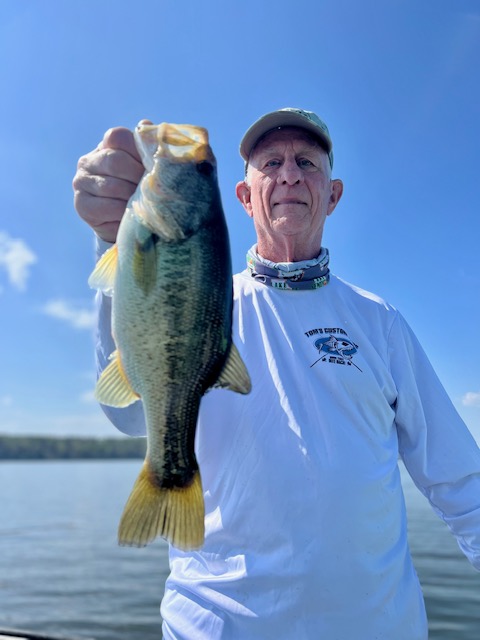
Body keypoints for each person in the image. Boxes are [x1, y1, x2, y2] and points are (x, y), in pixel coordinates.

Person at [73, 108, 480, 640]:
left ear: (332, 194)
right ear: (244, 196)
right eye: (271, 162)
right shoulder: (213, 297)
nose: (289, 174)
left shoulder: (380, 322)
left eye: (306, 162)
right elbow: (127, 415)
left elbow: (462, 481)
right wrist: (114, 242)